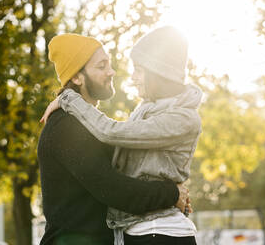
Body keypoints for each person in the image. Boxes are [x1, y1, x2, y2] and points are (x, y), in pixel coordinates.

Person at [41, 26, 202, 245]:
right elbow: (115, 189)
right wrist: (172, 194)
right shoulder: (67, 126)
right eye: (101, 66)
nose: (112, 71)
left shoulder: (91, 123)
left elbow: (126, 168)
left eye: (109, 63)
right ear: (77, 78)